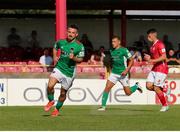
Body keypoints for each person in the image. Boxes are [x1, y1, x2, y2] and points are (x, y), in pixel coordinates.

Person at [44, 24, 84, 117]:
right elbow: (55, 47)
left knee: (63, 93)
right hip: (59, 67)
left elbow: (81, 59)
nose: (70, 34)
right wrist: (54, 57)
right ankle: (51, 101)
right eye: (69, 32)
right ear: (67, 32)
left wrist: (73, 58)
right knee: (50, 86)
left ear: (76, 34)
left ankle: (57, 109)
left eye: (73, 33)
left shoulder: (79, 46)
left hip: (69, 72)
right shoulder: (61, 42)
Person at [98, 36, 142, 111]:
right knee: (107, 87)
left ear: (119, 42)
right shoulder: (111, 50)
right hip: (114, 73)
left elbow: (131, 60)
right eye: (112, 42)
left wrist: (126, 70)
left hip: (123, 74)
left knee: (128, 93)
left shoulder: (124, 50)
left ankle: (136, 86)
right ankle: (103, 106)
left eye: (114, 41)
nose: (113, 43)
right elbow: (110, 60)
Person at [144, 29, 170, 112]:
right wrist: (149, 58)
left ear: (153, 35)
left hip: (161, 69)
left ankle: (165, 106)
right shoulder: (152, 46)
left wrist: (151, 60)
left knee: (156, 88)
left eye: (149, 35)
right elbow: (155, 58)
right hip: (155, 68)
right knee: (148, 86)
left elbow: (164, 57)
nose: (148, 37)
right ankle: (165, 89)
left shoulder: (160, 44)